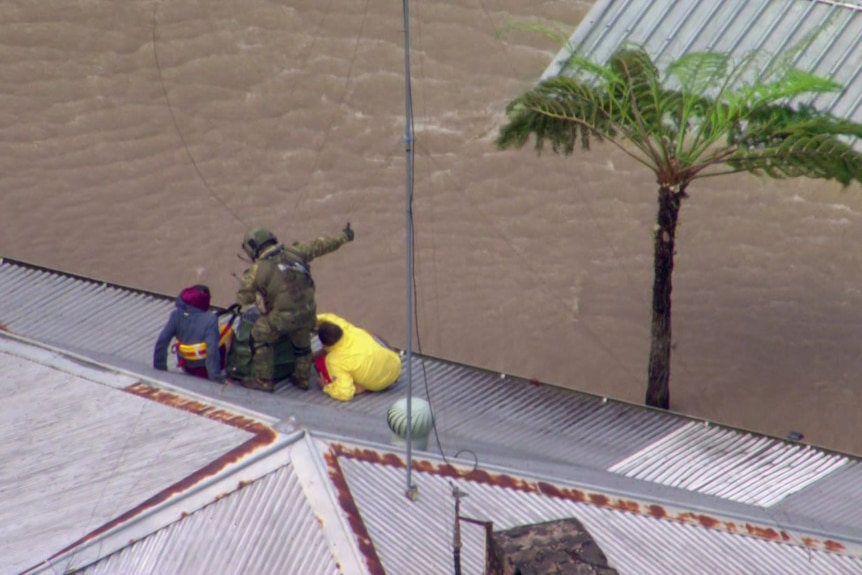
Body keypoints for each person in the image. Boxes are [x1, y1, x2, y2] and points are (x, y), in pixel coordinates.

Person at [235, 223, 354, 391]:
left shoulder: (257, 270)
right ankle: (302, 378)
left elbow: (243, 298)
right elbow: (321, 245)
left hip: (282, 318)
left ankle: (263, 380)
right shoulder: (296, 252)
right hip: (308, 312)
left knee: (259, 335)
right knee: (302, 344)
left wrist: (253, 288)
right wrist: (345, 236)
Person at [314, 312, 401, 401]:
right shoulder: (345, 326)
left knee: (320, 363)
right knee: (371, 336)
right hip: (395, 364)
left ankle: (360, 387)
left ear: (324, 344)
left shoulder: (334, 360)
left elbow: (345, 394)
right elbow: (327, 317)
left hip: (380, 383)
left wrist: (326, 387)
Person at [153, 284, 225, 382]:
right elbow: (212, 350)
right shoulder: (210, 319)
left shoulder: (176, 315)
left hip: (186, 366)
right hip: (204, 370)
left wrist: (159, 367)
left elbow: (162, 340)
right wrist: (215, 377)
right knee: (226, 335)